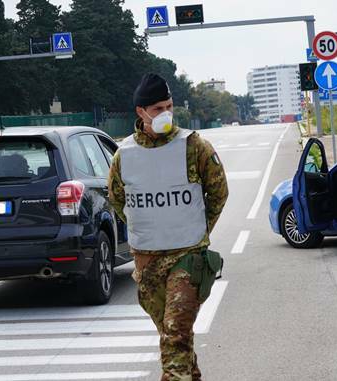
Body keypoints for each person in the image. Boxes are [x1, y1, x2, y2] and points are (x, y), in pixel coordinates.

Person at [107, 73, 228, 380]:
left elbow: (218, 192)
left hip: (188, 258)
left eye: (169, 106)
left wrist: (198, 230)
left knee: (174, 336)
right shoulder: (124, 155)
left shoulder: (194, 146)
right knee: (177, 338)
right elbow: (118, 200)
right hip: (147, 263)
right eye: (158, 108)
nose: (166, 114)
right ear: (141, 112)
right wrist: (148, 228)